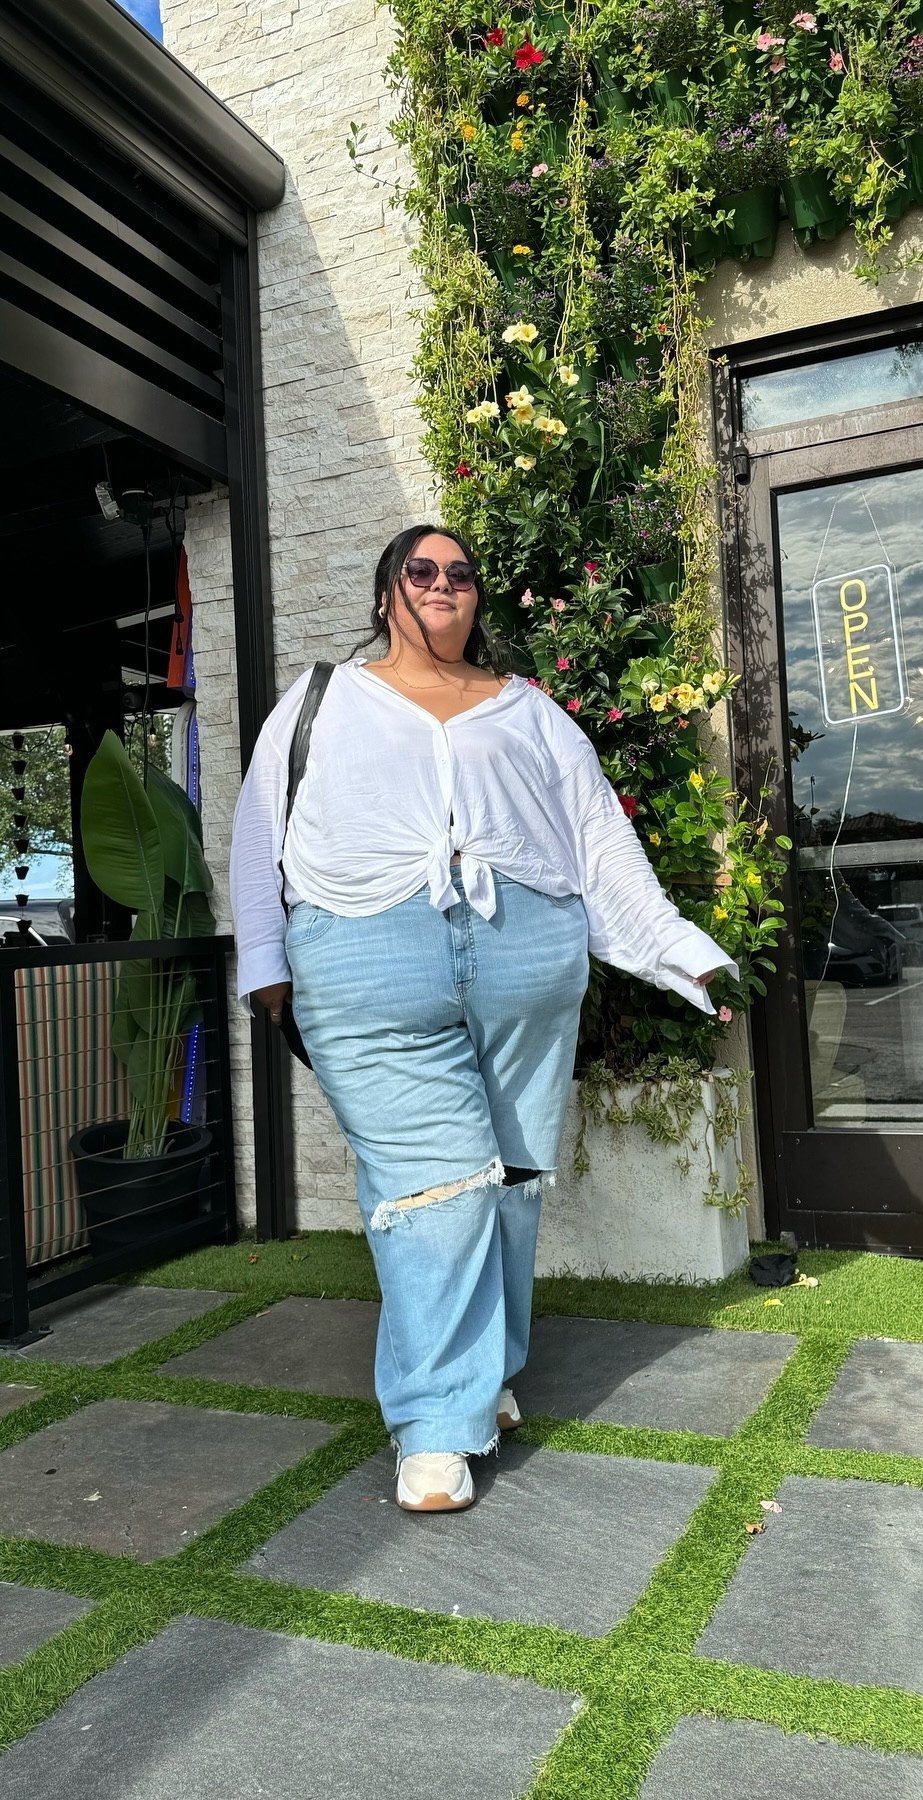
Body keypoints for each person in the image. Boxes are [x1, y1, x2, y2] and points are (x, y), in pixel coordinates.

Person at [228, 525, 736, 1513]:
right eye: (423, 570)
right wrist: (262, 960)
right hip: (367, 958)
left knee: (508, 1183)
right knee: (439, 1190)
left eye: (462, 574)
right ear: (388, 594)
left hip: (524, 956)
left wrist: (680, 950)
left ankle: (484, 1371)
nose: (445, 585)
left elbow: (599, 843)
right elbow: (260, 828)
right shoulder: (321, 699)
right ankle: (434, 1423)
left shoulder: (531, 713)